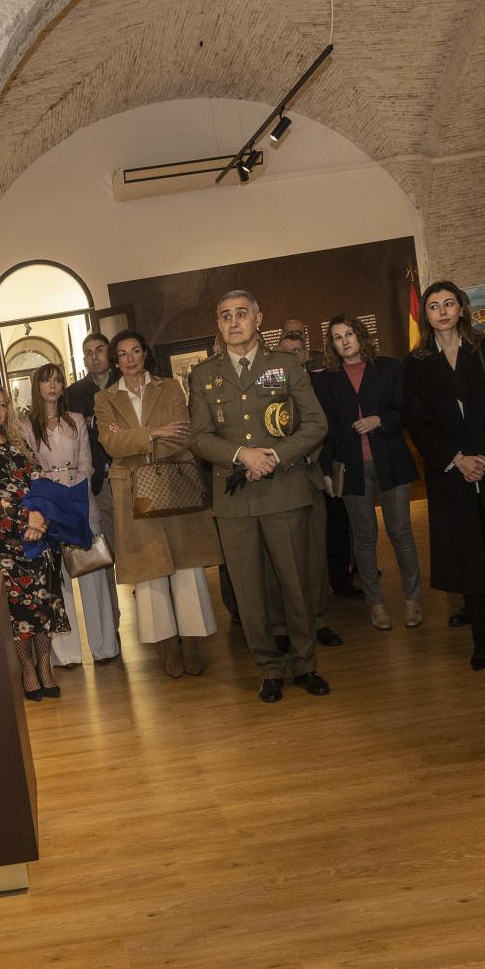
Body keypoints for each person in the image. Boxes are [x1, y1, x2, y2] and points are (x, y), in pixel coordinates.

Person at [187, 293, 328, 703]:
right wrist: (240, 455)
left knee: (295, 584)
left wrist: (274, 455)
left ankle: (305, 663)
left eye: (242, 314)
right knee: (249, 592)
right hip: (235, 500)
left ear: (259, 319)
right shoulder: (203, 375)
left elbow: (316, 423)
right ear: (219, 323)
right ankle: (268, 668)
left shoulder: (284, 365)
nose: (234, 322)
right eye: (226, 316)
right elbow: (199, 437)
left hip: (283, 490)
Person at [402, 282, 485, 669]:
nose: (441, 312)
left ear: (462, 308)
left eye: (448, 304)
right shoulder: (417, 361)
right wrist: (457, 459)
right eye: (433, 306)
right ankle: (482, 642)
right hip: (451, 472)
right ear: (426, 314)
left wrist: (484, 455)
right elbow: (418, 422)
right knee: (470, 558)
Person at [98, 331, 223, 677]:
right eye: (122, 354)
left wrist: (139, 443)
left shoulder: (170, 388)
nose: (130, 358)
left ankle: (193, 645)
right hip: (132, 496)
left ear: (145, 354)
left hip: (175, 486)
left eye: (135, 351)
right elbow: (111, 443)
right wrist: (154, 433)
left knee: (188, 568)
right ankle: (168, 649)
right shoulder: (105, 399)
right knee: (149, 573)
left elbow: (182, 434)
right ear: (115, 361)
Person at [314, 314, 423, 630]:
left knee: (401, 532)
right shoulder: (326, 380)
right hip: (350, 468)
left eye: (349, 334)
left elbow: (406, 411)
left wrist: (381, 421)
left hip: (391, 461)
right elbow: (327, 430)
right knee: (363, 537)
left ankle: (412, 600)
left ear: (361, 336)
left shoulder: (389, 368)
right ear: (331, 345)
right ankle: (375, 604)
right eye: (337, 337)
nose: (344, 341)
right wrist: (325, 471)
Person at [0, 383, 71, 700]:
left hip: (39, 541)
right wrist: (26, 519)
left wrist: (39, 519)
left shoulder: (19, 445)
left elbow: (39, 482)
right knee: (21, 615)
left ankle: (45, 666)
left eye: (3, 404)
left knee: (44, 608)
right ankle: (28, 672)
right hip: (5, 548)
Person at [21, 362, 121, 668]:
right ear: (37, 386)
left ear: (63, 386)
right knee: (57, 581)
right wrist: (51, 496)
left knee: (92, 574)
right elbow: (29, 469)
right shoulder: (24, 425)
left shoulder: (77, 419)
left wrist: (72, 491)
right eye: (46, 381)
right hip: (48, 507)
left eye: (58, 380)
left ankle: (104, 647)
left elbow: (87, 464)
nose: (53, 386)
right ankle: (66, 654)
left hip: (81, 502)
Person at [274, 319, 345, 647]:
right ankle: (285, 625)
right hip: (275, 484)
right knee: (281, 560)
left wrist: (302, 458)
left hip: (308, 477)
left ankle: (317, 620)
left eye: (296, 351)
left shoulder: (319, 385)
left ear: (305, 356)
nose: (291, 357)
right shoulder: (269, 388)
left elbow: (321, 428)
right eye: (284, 352)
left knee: (314, 557)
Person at [63, 332, 124, 636]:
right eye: (88, 352)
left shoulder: (125, 381)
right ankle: (112, 625)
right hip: (99, 483)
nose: (95, 356)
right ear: (83, 358)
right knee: (105, 556)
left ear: (109, 353)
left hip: (131, 476)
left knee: (137, 549)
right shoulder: (75, 393)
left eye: (100, 350)